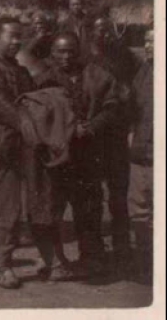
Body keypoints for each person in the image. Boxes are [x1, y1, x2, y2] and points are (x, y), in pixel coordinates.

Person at [32, 32, 123, 280]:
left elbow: (113, 106)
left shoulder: (98, 76)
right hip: (57, 155)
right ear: (52, 53)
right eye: (60, 51)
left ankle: (92, 258)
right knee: (52, 207)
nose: (66, 56)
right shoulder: (43, 80)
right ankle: (52, 260)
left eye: (71, 50)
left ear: (79, 51)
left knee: (89, 208)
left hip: (88, 155)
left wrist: (91, 126)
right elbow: (35, 115)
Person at [0, 16, 44, 289]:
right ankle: (1, 264)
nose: (17, 41)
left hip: (27, 145)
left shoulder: (20, 70)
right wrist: (30, 125)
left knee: (37, 202)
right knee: (6, 206)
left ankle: (47, 257)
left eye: (20, 37)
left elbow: (33, 99)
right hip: (4, 146)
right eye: (11, 36)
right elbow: (2, 107)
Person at [86, 15, 136, 265]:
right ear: (90, 32)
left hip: (116, 134)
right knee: (93, 194)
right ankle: (94, 247)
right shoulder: (83, 58)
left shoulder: (124, 56)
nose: (104, 35)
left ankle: (122, 244)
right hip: (94, 137)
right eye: (99, 30)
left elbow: (132, 89)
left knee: (118, 194)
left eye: (108, 30)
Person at [128, 27, 153, 282]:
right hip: (140, 154)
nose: (148, 46)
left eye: (155, 42)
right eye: (146, 41)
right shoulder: (143, 72)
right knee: (139, 211)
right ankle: (145, 263)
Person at [16, 10, 57, 80]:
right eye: (36, 23)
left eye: (42, 23)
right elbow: (24, 52)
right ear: (32, 24)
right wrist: (37, 39)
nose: (39, 26)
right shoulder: (26, 35)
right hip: (31, 68)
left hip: (46, 68)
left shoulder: (51, 37)